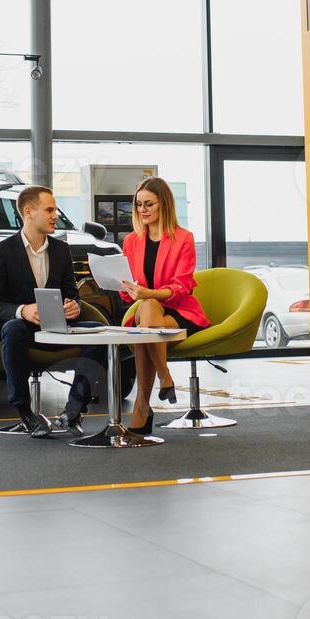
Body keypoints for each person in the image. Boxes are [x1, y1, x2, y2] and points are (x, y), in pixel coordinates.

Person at [0, 185, 105, 438]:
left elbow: (73, 294)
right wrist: (22, 311)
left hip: (57, 325)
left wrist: (74, 306)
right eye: (49, 210)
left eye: (55, 210)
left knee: (98, 333)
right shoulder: (2, 251)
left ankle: (73, 411)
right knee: (13, 328)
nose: (55, 215)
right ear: (28, 212)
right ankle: (26, 414)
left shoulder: (61, 250)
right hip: (23, 328)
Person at [119, 176, 210, 434]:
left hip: (178, 311)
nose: (142, 210)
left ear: (165, 205)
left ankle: (142, 409)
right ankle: (164, 376)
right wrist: (127, 290)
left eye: (149, 204)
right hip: (148, 311)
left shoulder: (183, 238)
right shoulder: (130, 242)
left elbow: (181, 287)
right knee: (147, 309)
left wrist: (148, 293)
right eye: (138, 205)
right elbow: (129, 294)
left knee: (145, 326)